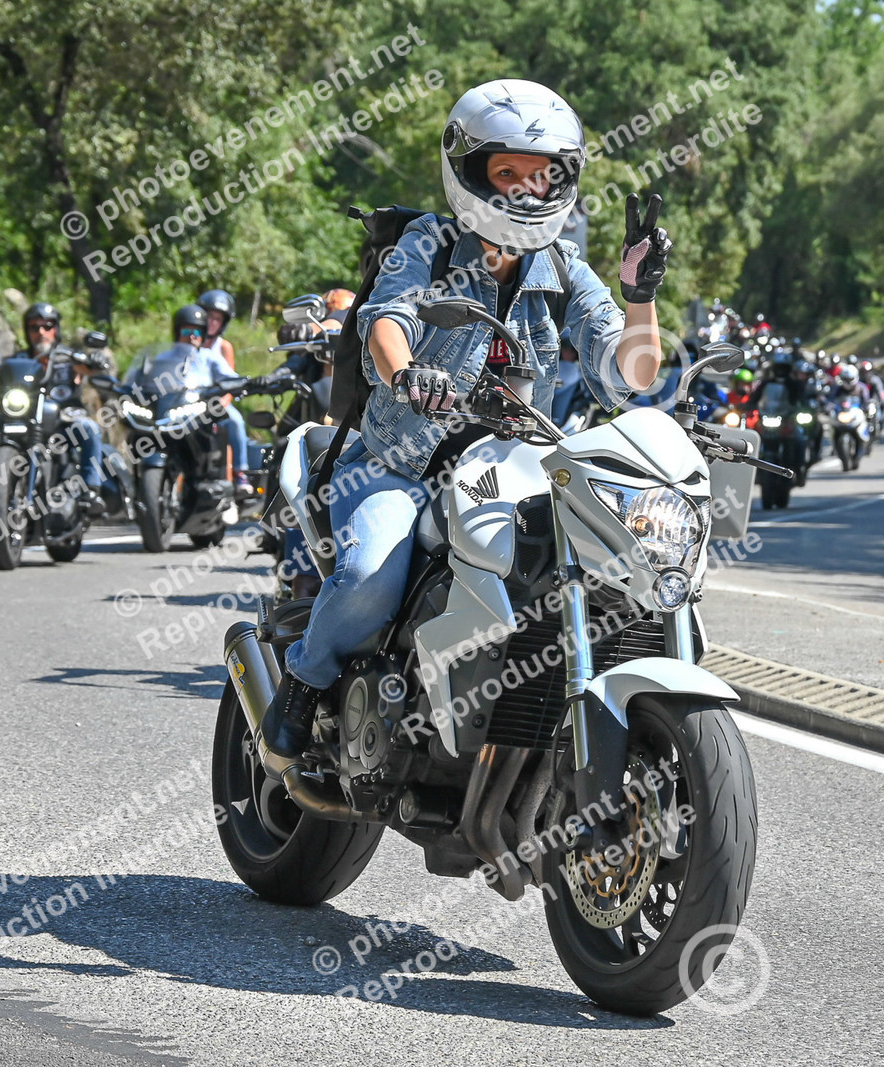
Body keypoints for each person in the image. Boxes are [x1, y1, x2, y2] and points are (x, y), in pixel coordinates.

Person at [260, 77, 669, 761]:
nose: (526, 190)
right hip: (402, 464)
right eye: (507, 173)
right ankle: (305, 679)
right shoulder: (431, 243)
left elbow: (630, 374)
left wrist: (640, 296)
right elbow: (385, 319)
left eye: (542, 175)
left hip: (512, 471)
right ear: (471, 172)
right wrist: (406, 373)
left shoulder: (563, 267)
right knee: (371, 574)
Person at [0, 302, 109, 516]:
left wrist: (96, 361)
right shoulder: (18, 360)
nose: (41, 332)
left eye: (47, 326)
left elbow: (88, 369)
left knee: (89, 428)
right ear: (27, 331)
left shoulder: (69, 358)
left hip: (64, 422)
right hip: (26, 421)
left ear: (56, 329)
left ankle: (90, 491)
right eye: (34, 327)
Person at [125, 304, 250, 487]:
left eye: (197, 332)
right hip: (166, 410)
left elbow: (230, 377)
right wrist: (128, 388)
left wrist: (242, 383)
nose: (192, 336)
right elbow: (142, 379)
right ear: (177, 332)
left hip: (200, 409)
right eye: (186, 331)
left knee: (235, 421)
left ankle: (240, 474)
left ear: (203, 334)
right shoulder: (163, 358)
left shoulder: (209, 357)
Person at [197, 289, 252, 493]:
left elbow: (231, 383)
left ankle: (240, 473)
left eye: (217, 319)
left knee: (236, 421)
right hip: (192, 401)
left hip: (217, 401)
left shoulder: (224, 347)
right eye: (209, 317)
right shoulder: (192, 340)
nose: (212, 322)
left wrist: (222, 403)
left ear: (223, 323)